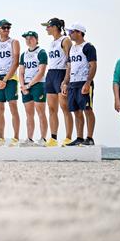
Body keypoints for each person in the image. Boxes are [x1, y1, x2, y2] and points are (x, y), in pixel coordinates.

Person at [62, 23, 97, 146]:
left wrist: (88, 83)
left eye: (71, 32)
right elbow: (69, 66)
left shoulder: (88, 47)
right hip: (73, 83)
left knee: (87, 109)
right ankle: (79, 138)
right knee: (76, 111)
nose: (70, 34)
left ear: (79, 32)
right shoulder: (72, 48)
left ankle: (90, 137)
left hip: (84, 82)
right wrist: (65, 82)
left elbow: (93, 65)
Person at [40, 17, 73, 146]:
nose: (46, 29)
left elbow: (70, 61)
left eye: (48, 26)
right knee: (52, 108)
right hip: (51, 73)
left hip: (61, 73)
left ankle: (68, 137)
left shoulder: (65, 40)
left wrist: (66, 80)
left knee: (65, 107)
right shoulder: (52, 42)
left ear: (54, 27)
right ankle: (53, 138)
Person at [18, 31, 48, 146]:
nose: (28, 40)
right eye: (26, 38)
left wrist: (29, 85)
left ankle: (43, 139)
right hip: (25, 86)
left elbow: (41, 72)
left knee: (41, 112)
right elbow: (21, 72)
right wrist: (22, 86)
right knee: (29, 114)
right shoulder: (24, 54)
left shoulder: (41, 52)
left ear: (36, 39)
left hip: (38, 84)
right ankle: (29, 139)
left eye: (30, 38)